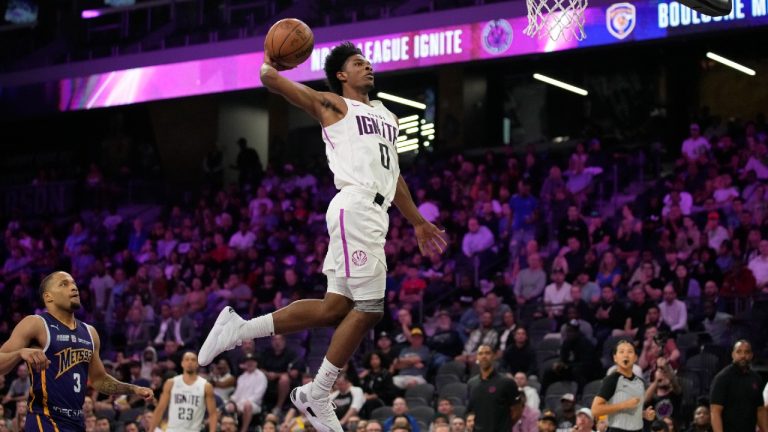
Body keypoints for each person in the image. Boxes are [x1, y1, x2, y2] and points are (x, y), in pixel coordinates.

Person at [199, 41, 447, 432]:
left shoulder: (386, 114)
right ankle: (317, 392)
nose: (367, 66)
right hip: (355, 207)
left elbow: (394, 176)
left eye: (367, 61)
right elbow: (278, 84)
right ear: (342, 75)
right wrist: (269, 65)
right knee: (370, 309)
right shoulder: (332, 105)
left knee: (335, 309)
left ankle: (240, 328)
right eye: (357, 62)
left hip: (373, 212)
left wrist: (416, 220)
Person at [0, 271, 153, 431]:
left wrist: (132, 389)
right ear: (48, 297)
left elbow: (99, 380)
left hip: (77, 421)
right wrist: (19, 353)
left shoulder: (90, 332)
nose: (73, 288)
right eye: (64, 284)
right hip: (45, 418)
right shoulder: (36, 324)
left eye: (73, 283)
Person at [591, 340, 655, 432]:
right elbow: (595, 410)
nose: (626, 355)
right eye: (621, 352)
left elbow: (630, 411)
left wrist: (644, 414)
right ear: (615, 358)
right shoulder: (612, 380)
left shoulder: (640, 382)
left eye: (630, 351)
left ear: (635, 358)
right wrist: (624, 404)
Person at [149, 352, 217, 432]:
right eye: (187, 359)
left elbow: (212, 414)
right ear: (182, 363)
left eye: (193, 360)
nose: (190, 362)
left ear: (197, 364)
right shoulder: (171, 383)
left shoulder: (206, 386)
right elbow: (160, 409)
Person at [709, 340, 768, 432]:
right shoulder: (722, 378)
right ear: (733, 354)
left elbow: (760, 410)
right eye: (739, 352)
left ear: (751, 355)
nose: (743, 356)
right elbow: (715, 411)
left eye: (746, 352)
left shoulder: (756, 378)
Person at [467, 344, 522, 431]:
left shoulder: (507, 382)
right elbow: (472, 411)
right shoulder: (471, 383)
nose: (484, 356)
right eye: (480, 354)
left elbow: (517, 411)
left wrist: (505, 427)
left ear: (494, 356)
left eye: (487, 353)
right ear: (477, 357)